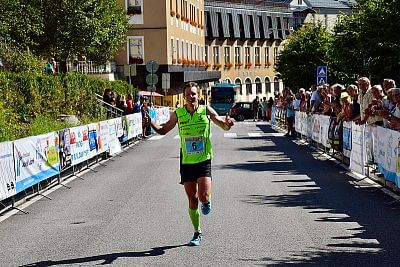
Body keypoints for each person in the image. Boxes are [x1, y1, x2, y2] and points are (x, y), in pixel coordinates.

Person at [147, 82, 234, 246]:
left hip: (203, 160)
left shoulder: (206, 110)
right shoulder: (178, 114)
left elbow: (222, 125)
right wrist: (150, 121)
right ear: (184, 96)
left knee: (203, 197)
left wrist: (228, 124)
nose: (191, 96)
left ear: (198, 95)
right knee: (193, 200)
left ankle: (207, 201)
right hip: (186, 163)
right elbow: (163, 130)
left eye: (193, 93)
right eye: (188, 94)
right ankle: (197, 232)